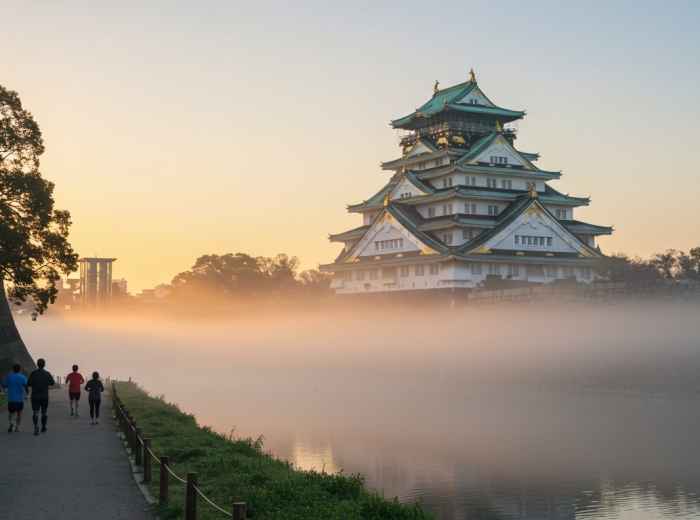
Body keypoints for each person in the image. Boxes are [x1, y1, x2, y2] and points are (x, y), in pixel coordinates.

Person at [27, 358, 55, 436]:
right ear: (44, 365)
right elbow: (52, 383)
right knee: (44, 412)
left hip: (35, 396)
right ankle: (43, 427)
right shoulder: (47, 373)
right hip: (44, 396)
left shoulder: (33, 373)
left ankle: (36, 427)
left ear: (37, 364)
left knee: (35, 412)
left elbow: (28, 383)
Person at [4, 364, 28, 433]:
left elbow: (4, 385)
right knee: (19, 413)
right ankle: (17, 427)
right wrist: (27, 395)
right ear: (20, 369)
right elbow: (26, 386)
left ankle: (11, 423)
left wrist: (6, 389)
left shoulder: (9, 376)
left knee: (11, 413)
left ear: (13, 369)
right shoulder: (22, 377)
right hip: (19, 400)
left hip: (11, 399)